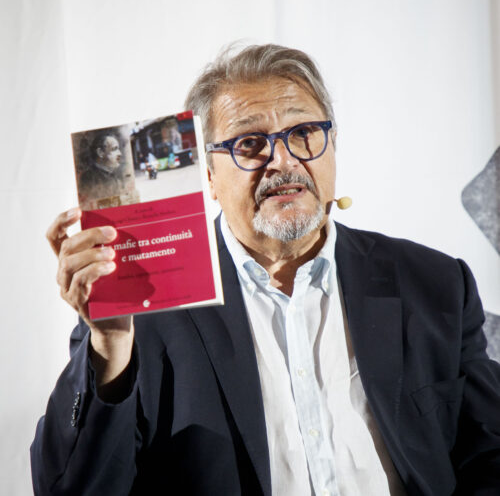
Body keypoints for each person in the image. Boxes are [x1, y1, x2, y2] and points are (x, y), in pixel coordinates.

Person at [32, 44, 500, 495]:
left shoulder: (435, 284)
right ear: (207, 175)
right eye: (249, 143)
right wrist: (110, 344)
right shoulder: (145, 305)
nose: (283, 160)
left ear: (333, 145)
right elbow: (72, 489)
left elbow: (490, 458)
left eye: (303, 133)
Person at [78, 133, 126, 201]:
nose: (120, 153)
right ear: (100, 152)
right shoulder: (89, 178)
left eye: (118, 149)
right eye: (114, 149)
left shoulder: (115, 175)